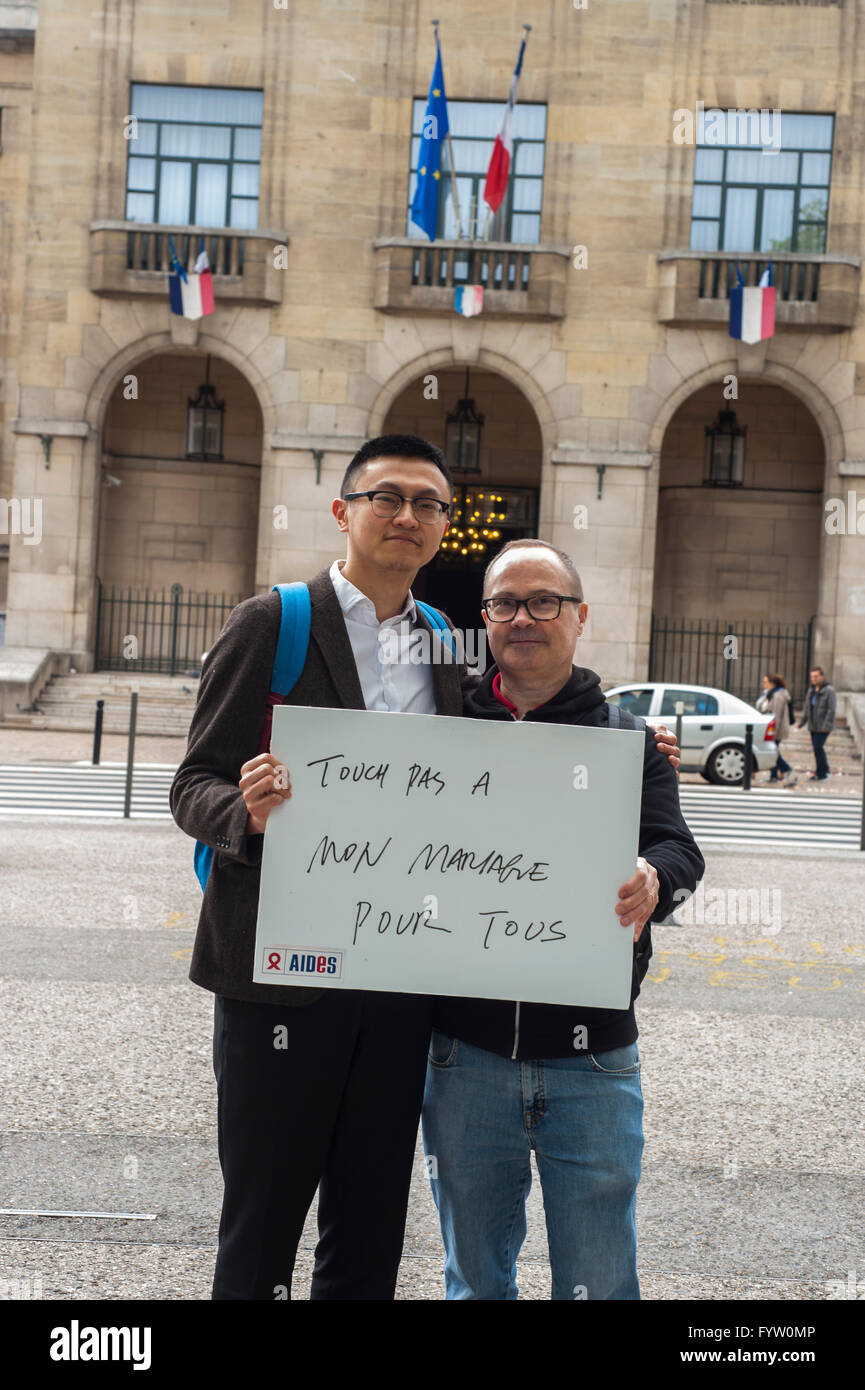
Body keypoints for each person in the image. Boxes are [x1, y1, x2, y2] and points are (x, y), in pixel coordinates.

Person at [170, 432, 684, 1301]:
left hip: (401, 985)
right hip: (279, 981)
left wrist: (632, 750)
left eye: (427, 504)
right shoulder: (275, 621)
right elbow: (192, 784)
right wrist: (243, 812)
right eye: (386, 498)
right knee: (260, 1224)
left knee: (367, 1231)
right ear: (343, 512)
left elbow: (513, 740)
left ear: (445, 526)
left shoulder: (447, 642)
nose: (406, 516)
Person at [422, 539, 705, 1301]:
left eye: (543, 601)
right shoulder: (439, 730)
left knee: (600, 1280)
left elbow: (677, 847)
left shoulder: (627, 740)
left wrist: (656, 878)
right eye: (505, 603)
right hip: (464, 1054)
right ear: (484, 620)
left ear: (578, 617)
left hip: (594, 1058)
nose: (524, 618)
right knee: (474, 1280)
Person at [797, 666, 836, 781]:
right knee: (816, 748)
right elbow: (807, 708)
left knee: (818, 747)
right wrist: (802, 722)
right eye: (812, 677)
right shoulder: (811, 690)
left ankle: (822, 772)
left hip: (823, 726)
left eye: (816, 676)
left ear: (822, 677)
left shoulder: (829, 691)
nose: (814, 679)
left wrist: (826, 726)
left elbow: (831, 709)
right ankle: (822, 770)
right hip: (813, 725)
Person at [757, 672, 796, 786]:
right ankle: (773, 775)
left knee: (772, 752)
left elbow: (776, 716)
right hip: (773, 728)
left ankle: (786, 768)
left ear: (772, 683)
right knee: (772, 751)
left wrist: (771, 732)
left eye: (766, 682)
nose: (764, 684)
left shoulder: (778, 696)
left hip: (775, 729)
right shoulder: (771, 693)